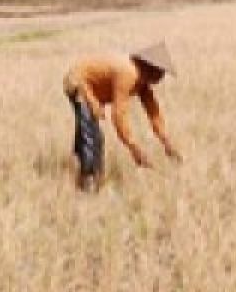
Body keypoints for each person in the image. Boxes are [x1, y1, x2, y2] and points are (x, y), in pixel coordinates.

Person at [63, 42, 183, 192]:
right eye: (161, 72)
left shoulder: (142, 80)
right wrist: (134, 149)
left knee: (86, 130)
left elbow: (152, 110)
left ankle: (77, 165)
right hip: (77, 82)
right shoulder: (129, 74)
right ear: (151, 68)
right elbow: (118, 116)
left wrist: (166, 141)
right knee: (93, 136)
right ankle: (89, 180)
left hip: (88, 85)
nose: (161, 77)